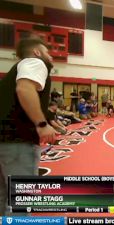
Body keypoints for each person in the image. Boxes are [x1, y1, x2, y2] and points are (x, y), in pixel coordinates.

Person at [0, 37, 57, 216]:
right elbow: (24, 89)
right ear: (37, 52)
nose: (51, 57)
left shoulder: (12, 73)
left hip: (4, 140)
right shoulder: (36, 62)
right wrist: (41, 124)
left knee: (3, 196)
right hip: (17, 140)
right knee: (20, 201)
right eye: (48, 52)